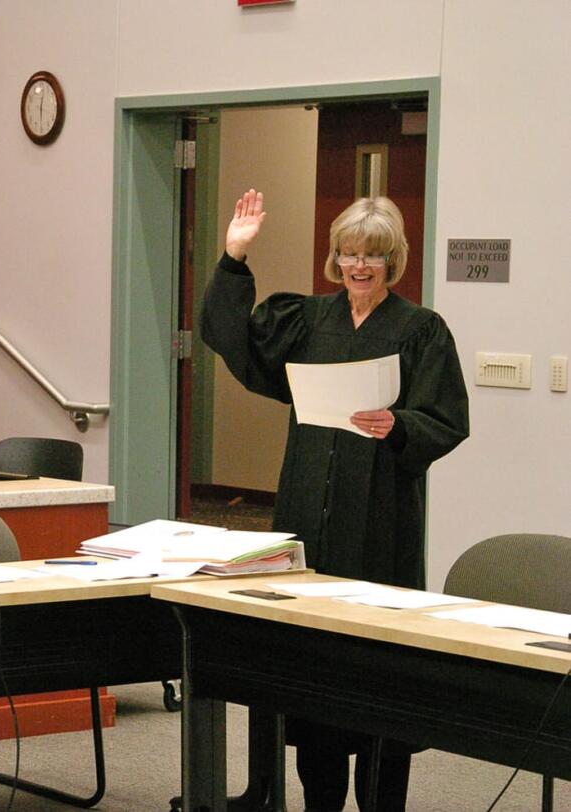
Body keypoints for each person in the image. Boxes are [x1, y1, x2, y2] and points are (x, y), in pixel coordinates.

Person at [201, 189, 469, 811]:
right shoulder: (306, 320)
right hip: (307, 521)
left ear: (392, 259)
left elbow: (446, 418)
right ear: (335, 258)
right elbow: (230, 336)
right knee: (313, 675)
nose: (358, 266)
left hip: (378, 522)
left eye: (372, 256)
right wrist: (235, 257)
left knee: (376, 674)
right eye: (348, 253)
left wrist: (398, 424)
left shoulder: (420, 330)